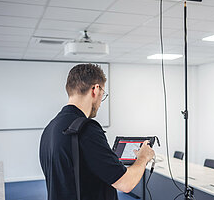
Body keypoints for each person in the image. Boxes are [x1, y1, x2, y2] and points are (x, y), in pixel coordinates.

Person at [39, 63, 155, 200]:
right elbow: (125, 183)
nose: (100, 102)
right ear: (95, 89)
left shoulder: (50, 128)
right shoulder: (86, 129)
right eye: (103, 94)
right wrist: (143, 157)